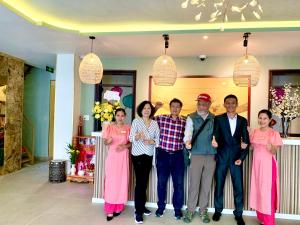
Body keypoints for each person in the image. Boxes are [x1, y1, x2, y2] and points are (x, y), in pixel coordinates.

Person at [211, 94, 249, 225]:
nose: (231, 105)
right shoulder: (218, 119)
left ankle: (238, 214)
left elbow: (246, 142)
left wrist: (242, 158)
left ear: (237, 104)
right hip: (221, 157)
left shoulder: (243, 121)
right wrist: (214, 143)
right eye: (228, 103)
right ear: (224, 104)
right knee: (219, 185)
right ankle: (218, 210)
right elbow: (215, 136)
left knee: (238, 187)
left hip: (236, 159)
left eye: (233, 103)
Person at [182, 93, 216, 224]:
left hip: (211, 155)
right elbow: (188, 133)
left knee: (206, 185)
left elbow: (217, 134)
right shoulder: (191, 117)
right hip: (196, 154)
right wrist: (187, 142)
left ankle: (203, 210)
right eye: (199, 103)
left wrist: (217, 142)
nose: (201, 105)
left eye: (204, 103)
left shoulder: (214, 118)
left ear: (209, 104)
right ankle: (190, 210)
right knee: (194, 184)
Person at [154, 98, 186, 220]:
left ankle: (177, 209)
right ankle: (160, 207)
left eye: (178, 106)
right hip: (163, 155)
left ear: (180, 108)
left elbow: (188, 136)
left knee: (178, 184)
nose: (175, 108)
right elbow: (148, 120)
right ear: (170, 107)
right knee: (161, 183)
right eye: (173, 106)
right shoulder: (161, 118)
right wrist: (155, 108)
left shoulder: (184, 122)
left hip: (178, 156)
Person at [249, 109, 282, 225]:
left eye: (265, 118)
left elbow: (274, 151)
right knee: (258, 190)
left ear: (270, 120)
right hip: (256, 165)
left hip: (268, 165)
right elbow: (252, 147)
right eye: (260, 118)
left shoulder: (274, 133)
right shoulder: (254, 131)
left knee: (267, 192)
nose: (262, 120)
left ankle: (269, 221)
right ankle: (262, 218)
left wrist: (271, 147)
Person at [129, 101, 160, 224]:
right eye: (144, 108)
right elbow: (131, 138)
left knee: (144, 182)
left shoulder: (155, 123)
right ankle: (138, 211)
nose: (146, 110)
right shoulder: (136, 121)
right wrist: (137, 136)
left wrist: (152, 141)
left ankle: (142, 206)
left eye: (148, 108)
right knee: (140, 183)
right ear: (141, 110)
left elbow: (158, 139)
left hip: (149, 155)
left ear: (151, 110)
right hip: (137, 155)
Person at [102, 108, 131, 221]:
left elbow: (131, 142)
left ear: (125, 116)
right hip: (113, 157)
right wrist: (108, 142)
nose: (120, 117)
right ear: (115, 116)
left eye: (122, 115)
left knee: (121, 181)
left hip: (123, 156)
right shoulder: (109, 127)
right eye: (118, 115)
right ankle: (109, 210)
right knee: (111, 182)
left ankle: (118, 207)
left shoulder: (128, 128)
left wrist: (124, 146)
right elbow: (105, 142)